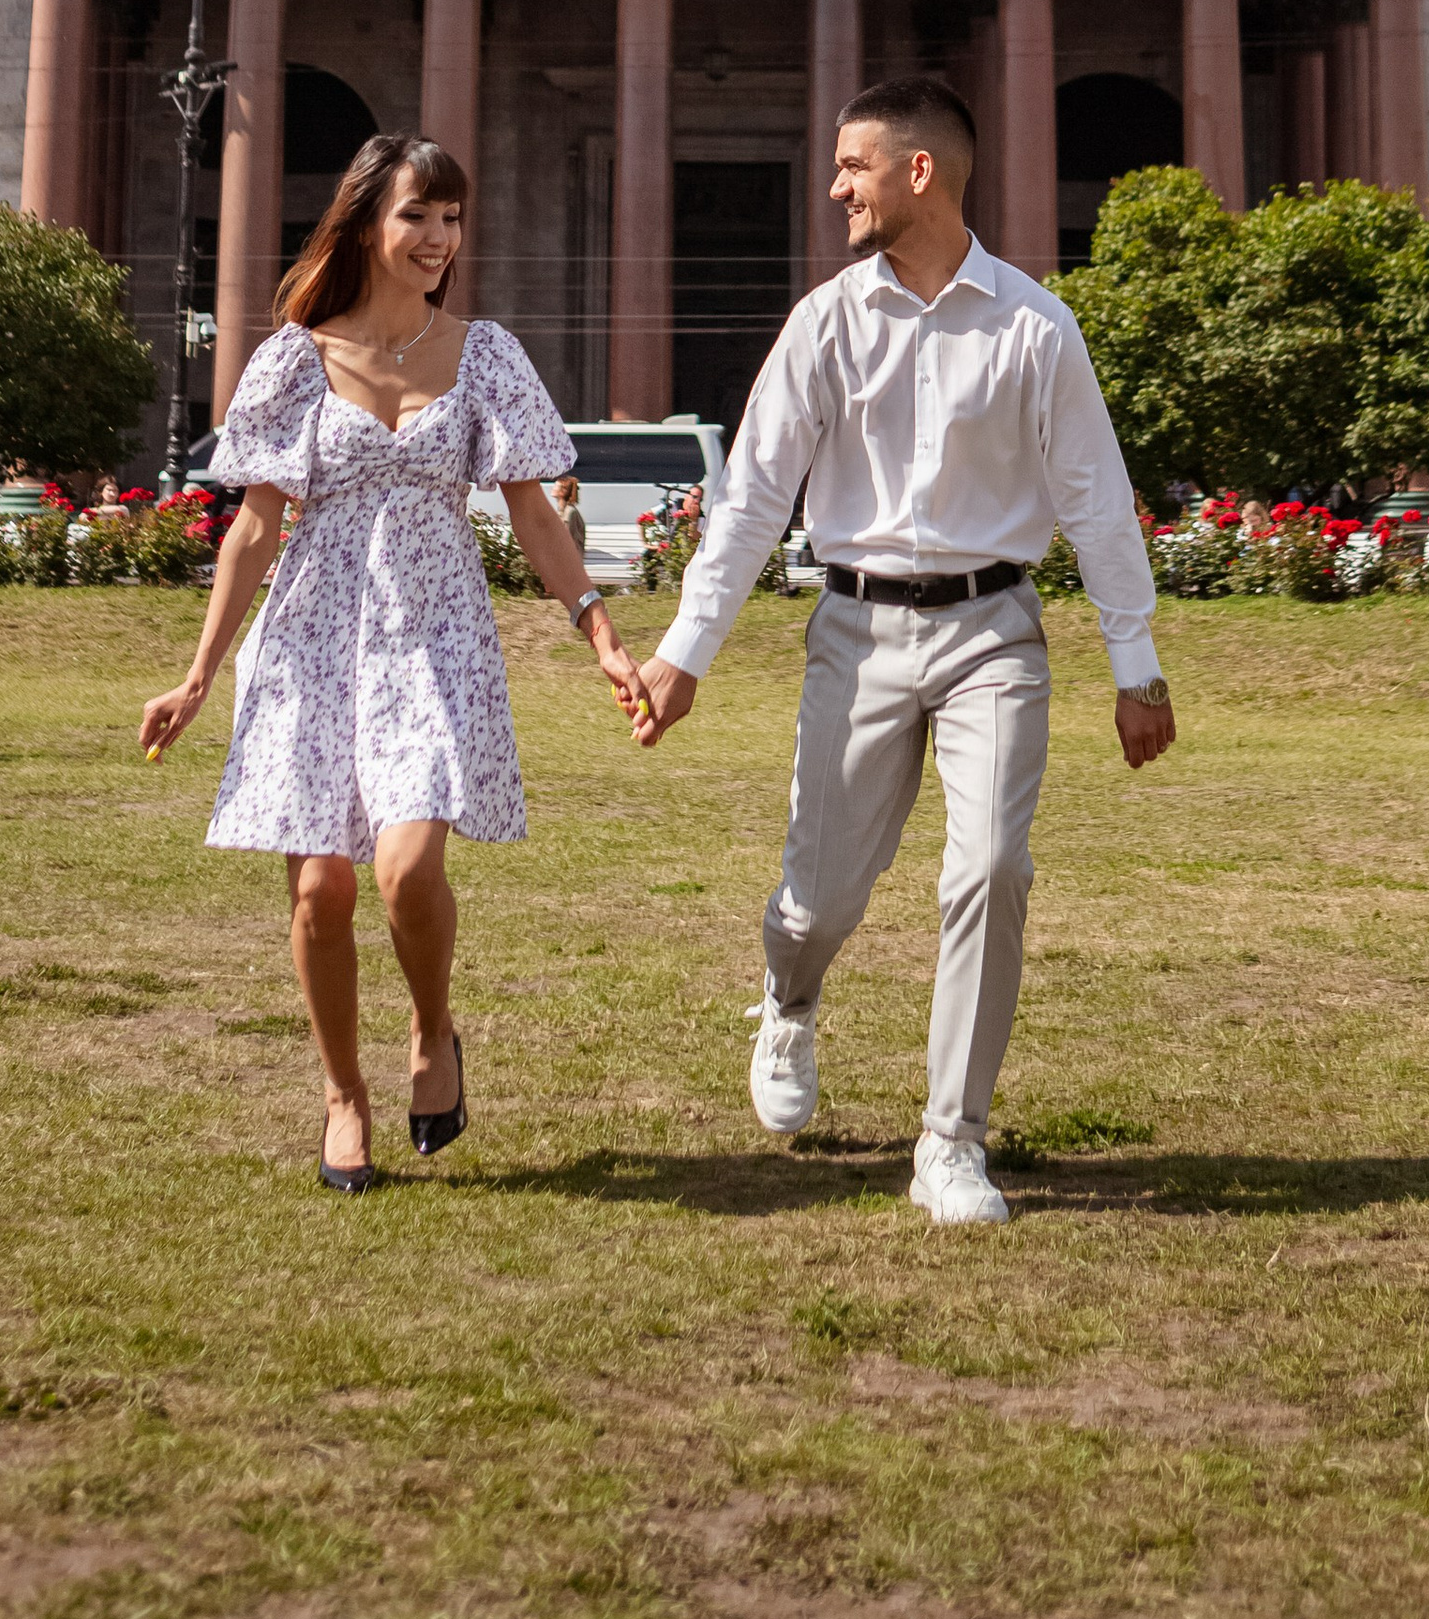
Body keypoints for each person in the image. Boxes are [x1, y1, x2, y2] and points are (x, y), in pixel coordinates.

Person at [626, 76, 1173, 1227]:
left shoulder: (1035, 326)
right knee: (818, 901)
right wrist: (685, 652)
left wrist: (1136, 663)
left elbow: (1097, 499)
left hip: (995, 637)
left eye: (852, 166)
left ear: (916, 172)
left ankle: (950, 1145)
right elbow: (753, 497)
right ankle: (788, 997)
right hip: (855, 632)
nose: (835, 187)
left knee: (990, 873)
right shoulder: (825, 322)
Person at [140, 134, 646, 1188]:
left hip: (437, 633)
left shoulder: (486, 352)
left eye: (452, 219)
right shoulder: (293, 357)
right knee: (321, 890)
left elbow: (536, 516)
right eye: (419, 215)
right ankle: (341, 1097)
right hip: (311, 633)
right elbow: (253, 530)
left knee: (408, 868)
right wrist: (196, 675)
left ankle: (431, 1031)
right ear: (369, 218)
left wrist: (596, 627)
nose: (438, 239)